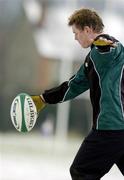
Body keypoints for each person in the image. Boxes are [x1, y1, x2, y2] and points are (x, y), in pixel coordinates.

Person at [31, 8, 124, 180]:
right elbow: (73, 86)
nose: (75, 38)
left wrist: (102, 41)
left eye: (76, 33)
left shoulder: (108, 48)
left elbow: (112, 48)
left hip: (110, 127)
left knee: (81, 171)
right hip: (118, 129)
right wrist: (43, 98)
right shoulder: (92, 60)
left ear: (87, 30)